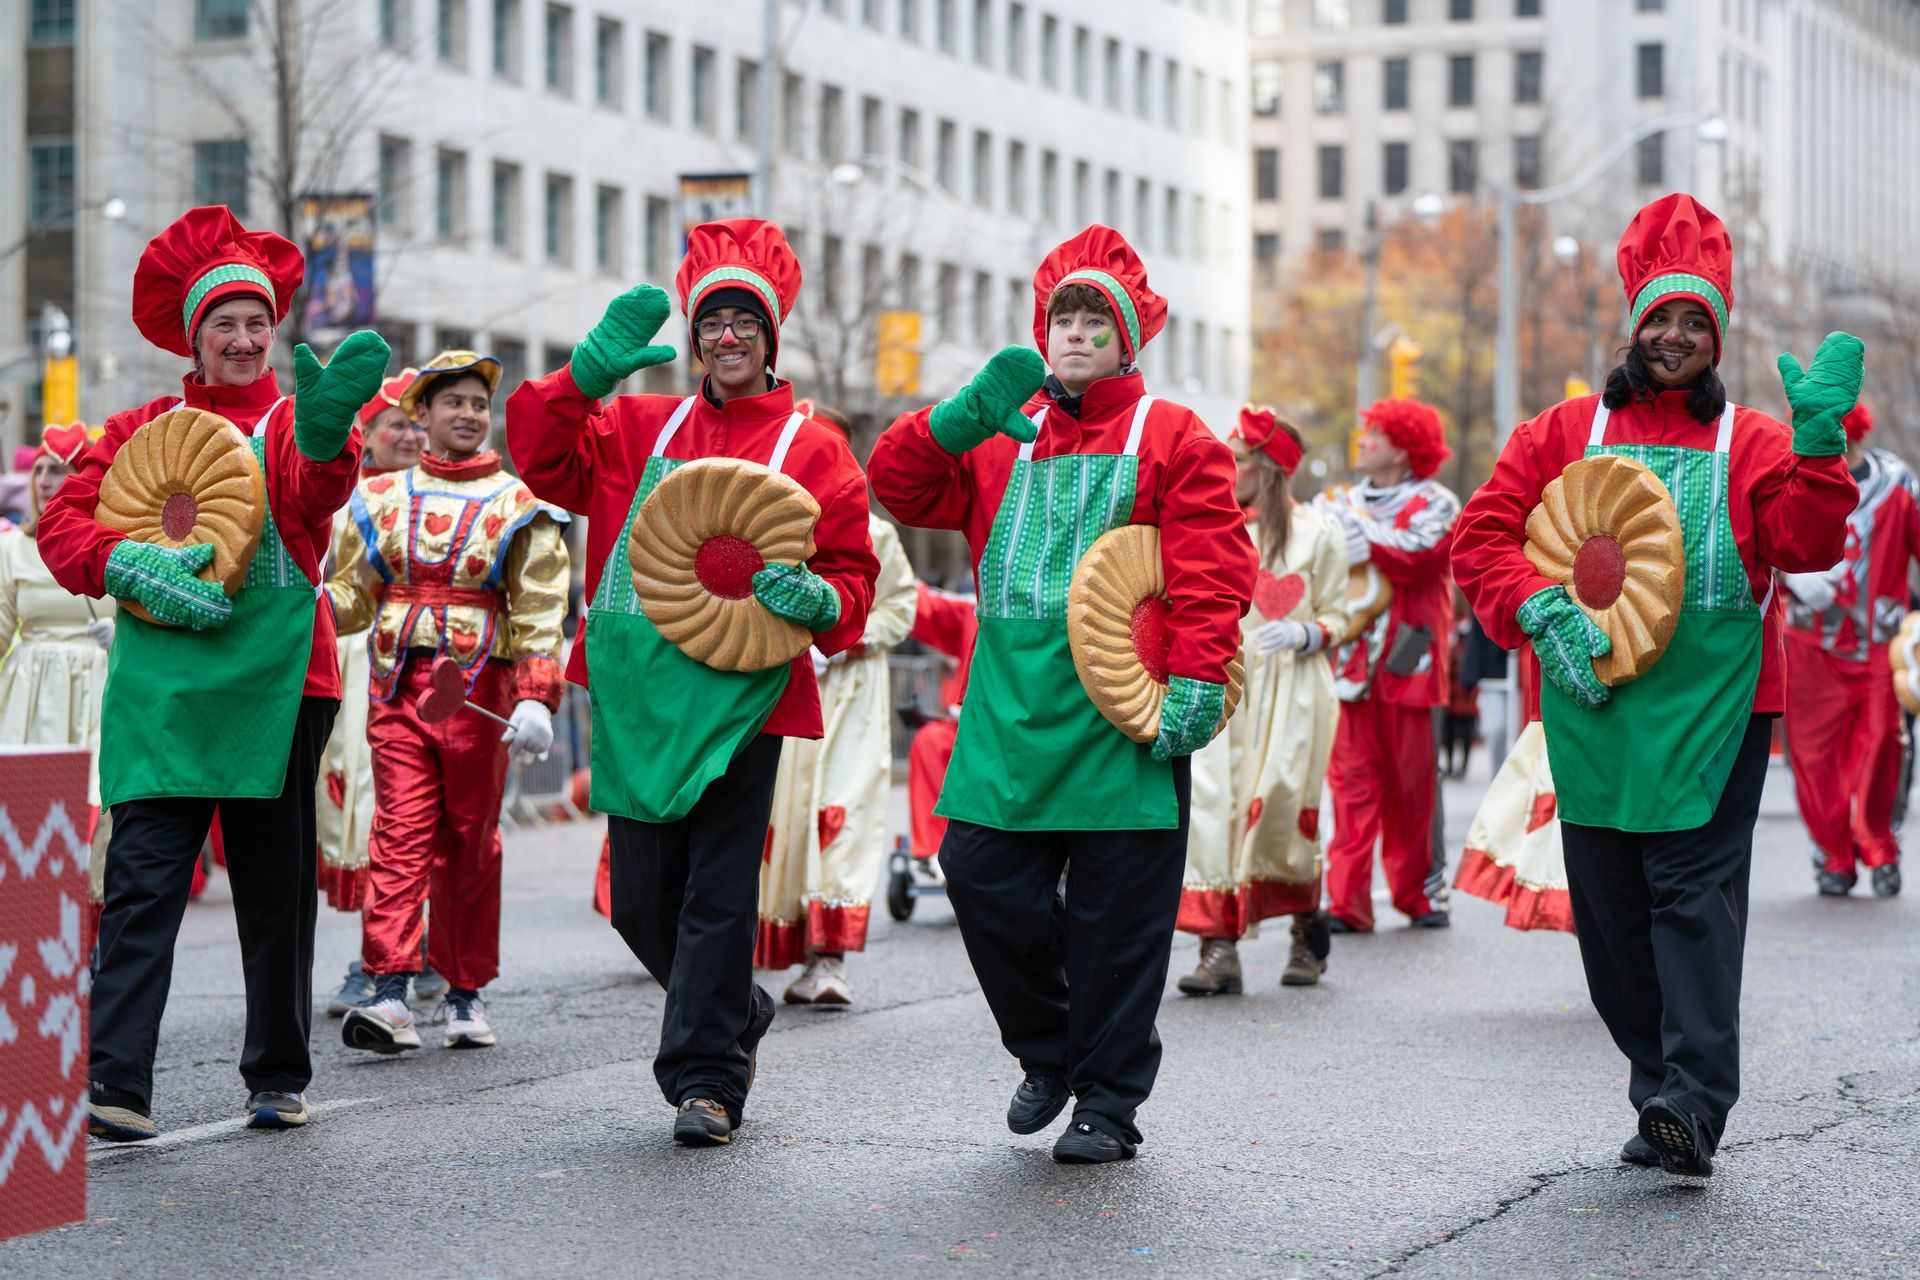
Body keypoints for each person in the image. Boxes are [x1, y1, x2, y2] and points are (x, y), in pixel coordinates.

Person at [1453, 193, 1861, 1177]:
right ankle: (1660, 1088)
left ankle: (1692, 1102)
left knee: (1691, 905)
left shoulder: (1754, 443)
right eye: (1661, 319)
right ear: (1633, 328)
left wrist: (1818, 452)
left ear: (1714, 339)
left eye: (1696, 323)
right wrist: (1535, 608)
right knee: (1612, 925)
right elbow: (1481, 540)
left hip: (1716, 714)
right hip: (1594, 715)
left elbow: (1807, 546)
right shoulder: (1560, 431)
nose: (1676, 336)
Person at [869, 226, 1255, 1163]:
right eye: (1063, 317)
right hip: (1008, 710)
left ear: (1129, 339)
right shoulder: (1004, 430)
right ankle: (1048, 1050)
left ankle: (1108, 1104)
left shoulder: (1175, 435)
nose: (1076, 332)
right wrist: (955, 420)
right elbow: (891, 484)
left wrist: (1200, 677)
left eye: (1096, 318)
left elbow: (1212, 567)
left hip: (1127, 712)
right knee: (977, 876)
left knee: (1118, 925)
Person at [507, 219, 877, 1146]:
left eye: (745, 322)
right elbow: (541, 458)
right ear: (695, 335)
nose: (727, 337)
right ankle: (732, 1009)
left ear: (770, 335)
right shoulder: (637, 422)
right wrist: (584, 376)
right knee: (639, 902)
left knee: (718, 893)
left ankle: (705, 1082)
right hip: (638, 695)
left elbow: (853, 579)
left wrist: (818, 595)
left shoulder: (814, 444)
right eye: (712, 321)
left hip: (743, 697)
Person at [39, 205, 390, 1139]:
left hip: (282, 684)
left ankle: (277, 1073)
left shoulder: (291, 421)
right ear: (193, 337)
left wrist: (325, 438)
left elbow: (317, 500)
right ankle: (115, 1083)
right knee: (146, 879)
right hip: (163, 690)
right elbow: (65, 523)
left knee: (276, 889)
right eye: (223, 324)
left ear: (273, 330)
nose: (241, 339)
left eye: (255, 322)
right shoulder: (143, 426)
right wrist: (119, 560)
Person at [329, 350, 570, 1054]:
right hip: (398, 686)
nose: (467, 414)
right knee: (399, 831)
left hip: (481, 697)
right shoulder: (376, 499)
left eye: (477, 404)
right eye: (453, 402)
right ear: (421, 415)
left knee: (470, 840)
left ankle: (465, 991)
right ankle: (391, 989)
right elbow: (349, 596)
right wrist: (298, 605)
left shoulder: (518, 506)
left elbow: (539, 605)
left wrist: (537, 697)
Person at [1177, 407, 1346, 994]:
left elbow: (1338, 614)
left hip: (1294, 689)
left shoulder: (1319, 534)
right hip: (1227, 683)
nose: (1226, 469)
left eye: (1239, 458)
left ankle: (1305, 927)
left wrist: (1307, 633)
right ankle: (1218, 948)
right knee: (1215, 806)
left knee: (1278, 804)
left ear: (1269, 468)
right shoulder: (1212, 525)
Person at [758, 403, 918, 1005]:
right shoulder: (767, 526)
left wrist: (853, 636)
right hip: (781, 685)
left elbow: (899, 605)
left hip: (851, 693)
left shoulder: (877, 533)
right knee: (782, 815)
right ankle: (782, 951)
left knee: (841, 814)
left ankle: (831, 959)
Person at [318, 366, 445, 1016]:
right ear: (366, 435)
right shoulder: (343, 498)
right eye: (393, 422)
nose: (407, 433)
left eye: (414, 421)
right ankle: (400, 947)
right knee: (358, 807)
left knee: (402, 806)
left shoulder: (443, 494)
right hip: (351, 661)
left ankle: (389, 957)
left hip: (414, 664)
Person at [1313, 399, 1461, 932]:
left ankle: (1422, 895)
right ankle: (1346, 902)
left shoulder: (1435, 503)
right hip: (1349, 666)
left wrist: (1360, 537)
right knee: (1350, 787)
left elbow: (1421, 554)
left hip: (1410, 663)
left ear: (1402, 449)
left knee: (1415, 786)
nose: (1363, 442)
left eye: (1373, 435)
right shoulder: (1337, 501)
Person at [1781, 399, 1920, 898]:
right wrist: (1789, 577)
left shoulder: (1898, 484)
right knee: (1814, 756)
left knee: (1884, 743)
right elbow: (1759, 541)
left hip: (1880, 646)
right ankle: (1834, 854)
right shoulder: (1791, 480)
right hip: (1810, 644)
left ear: (1856, 432)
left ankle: (1880, 847)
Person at [0, 423, 116, 908]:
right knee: (32, 813)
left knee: (98, 815)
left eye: (61, 470)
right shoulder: (10, 549)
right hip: (32, 693)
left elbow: (143, 610)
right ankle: (38, 942)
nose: (47, 479)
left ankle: (91, 937)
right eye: (42, 470)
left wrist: (124, 638)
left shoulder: (111, 541)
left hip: (102, 685)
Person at [904, 580, 977, 868]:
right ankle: (935, 849)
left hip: (1025, 730)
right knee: (930, 740)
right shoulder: (972, 610)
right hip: (965, 729)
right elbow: (925, 604)